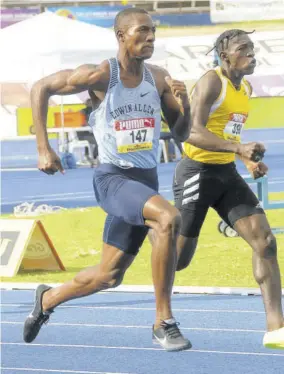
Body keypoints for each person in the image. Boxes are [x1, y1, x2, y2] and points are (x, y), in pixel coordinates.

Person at [23, 8, 192, 352]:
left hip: (144, 184)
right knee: (168, 218)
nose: (150, 39)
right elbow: (41, 88)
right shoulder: (101, 75)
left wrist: (183, 102)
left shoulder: (159, 78)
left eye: (154, 33)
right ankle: (164, 322)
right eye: (142, 32)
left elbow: (182, 133)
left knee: (108, 276)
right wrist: (44, 147)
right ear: (121, 36)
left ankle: (47, 299)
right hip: (113, 180)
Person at [173, 29, 284, 349]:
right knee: (179, 261)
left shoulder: (244, 86)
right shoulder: (212, 81)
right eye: (243, 49)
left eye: (252, 48)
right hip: (195, 173)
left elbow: (229, 131)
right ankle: (160, 233)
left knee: (265, 241)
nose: (251, 53)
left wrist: (247, 161)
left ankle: (276, 327)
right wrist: (238, 149)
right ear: (225, 55)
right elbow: (191, 133)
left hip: (225, 174)